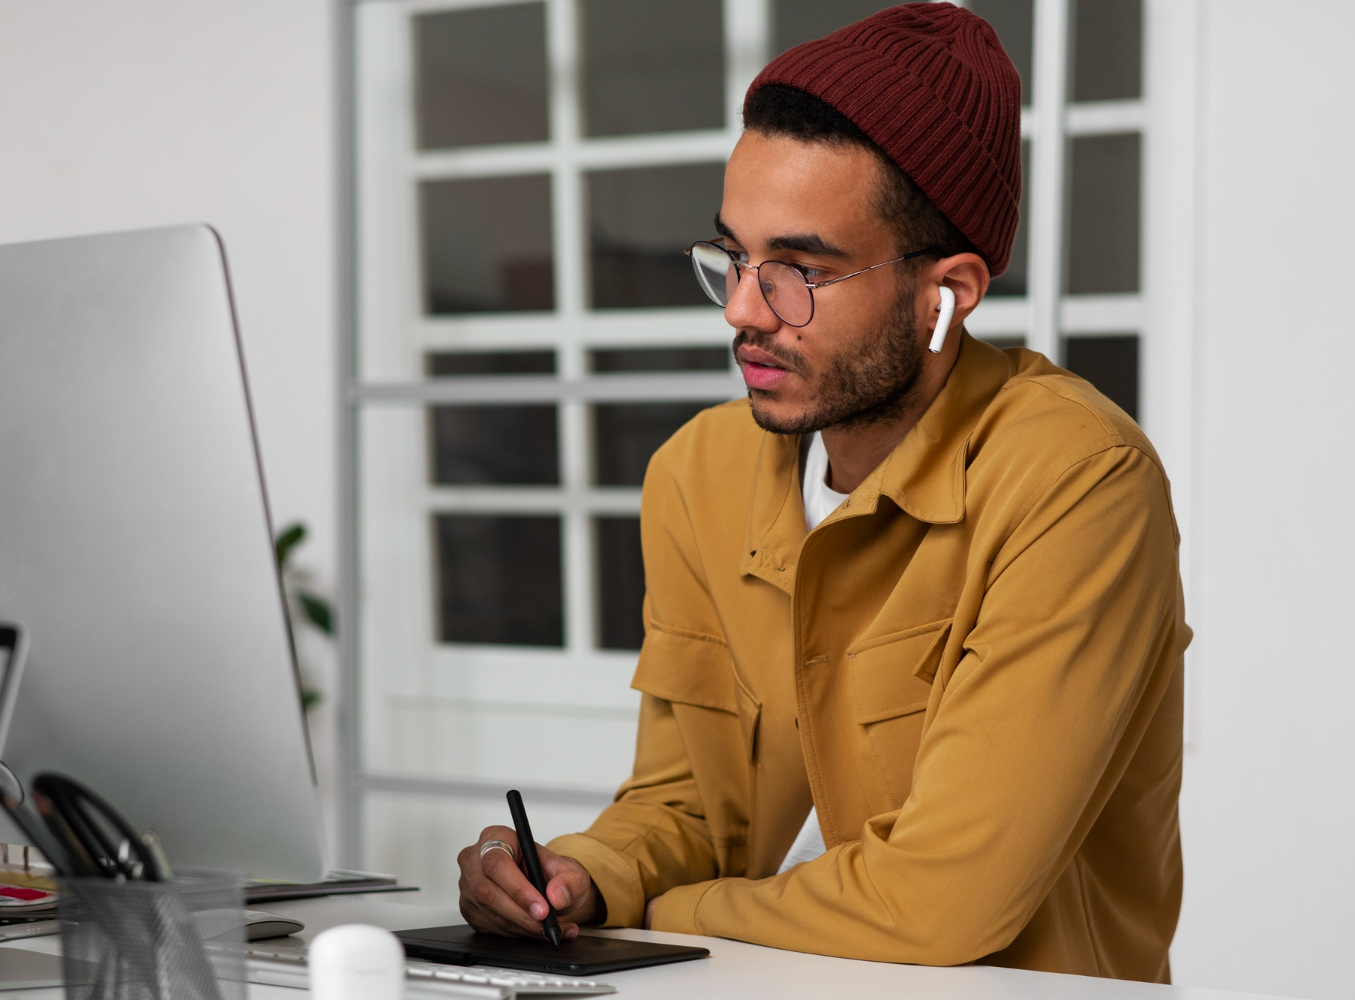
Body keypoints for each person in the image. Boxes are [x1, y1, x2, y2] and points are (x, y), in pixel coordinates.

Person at [456, 3, 1188, 982]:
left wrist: (662, 911)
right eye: (736, 257)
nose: (746, 311)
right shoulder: (697, 473)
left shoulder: (1077, 481)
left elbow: (942, 902)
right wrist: (586, 875)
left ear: (948, 293)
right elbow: (684, 803)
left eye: (801, 270)